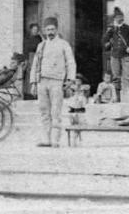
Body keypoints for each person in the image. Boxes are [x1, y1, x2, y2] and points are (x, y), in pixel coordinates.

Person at [30, 16, 77, 148]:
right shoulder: (41, 45)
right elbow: (35, 64)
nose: (50, 32)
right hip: (42, 81)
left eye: (52, 29)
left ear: (56, 30)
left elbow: (71, 62)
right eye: (47, 29)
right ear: (44, 31)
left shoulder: (63, 44)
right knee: (44, 111)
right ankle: (46, 139)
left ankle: (55, 140)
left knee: (55, 112)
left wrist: (70, 80)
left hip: (57, 82)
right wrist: (33, 82)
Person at [102, 7, 129, 103]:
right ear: (114, 18)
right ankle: (117, 97)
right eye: (118, 17)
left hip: (126, 56)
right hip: (115, 56)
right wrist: (110, 45)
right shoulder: (112, 30)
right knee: (115, 76)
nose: (120, 18)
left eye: (121, 16)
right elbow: (104, 42)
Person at [68, 74, 90, 146]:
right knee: (74, 120)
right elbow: (70, 94)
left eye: (79, 81)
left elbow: (86, 95)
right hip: (74, 105)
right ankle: (75, 135)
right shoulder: (73, 88)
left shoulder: (84, 88)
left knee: (80, 99)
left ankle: (77, 135)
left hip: (80, 106)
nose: (78, 82)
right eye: (76, 81)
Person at [23, 23, 43, 99]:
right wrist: (26, 60)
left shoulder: (39, 38)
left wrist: (41, 35)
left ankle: (37, 93)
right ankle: (28, 93)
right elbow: (26, 49)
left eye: (36, 30)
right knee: (29, 74)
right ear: (31, 30)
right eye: (34, 29)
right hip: (30, 57)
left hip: (37, 57)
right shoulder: (27, 38)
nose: (35, 31)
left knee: (37, 74)